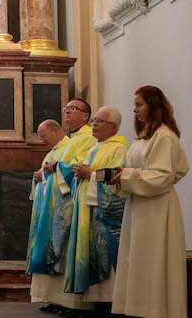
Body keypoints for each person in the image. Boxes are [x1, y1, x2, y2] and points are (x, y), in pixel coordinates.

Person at [111, 86, 189, 318]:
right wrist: (118, 172)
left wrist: (126, 176)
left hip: (157, 209)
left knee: (153, 260)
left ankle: (155, 311)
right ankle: (138, 310)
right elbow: (130, 166)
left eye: (139, 104)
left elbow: (162, 176)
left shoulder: (164, 135)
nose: (134, 110)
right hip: (139, 206)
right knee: (136, 259)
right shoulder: (144, 136)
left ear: (153, 106)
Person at [27, 101, 97, 313]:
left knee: (67, 252)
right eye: (66, 108)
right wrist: (47, 172)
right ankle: (59, 301)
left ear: (85, 116)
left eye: (73, 108)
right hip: (57, 203)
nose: (67, 110)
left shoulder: (88, 138)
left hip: (70, 204)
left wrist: (52, 170)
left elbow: (81, 167)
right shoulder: (71, 141)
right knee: (57, 253)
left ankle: (72, 304)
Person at [64, 106, 128, 306]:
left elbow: (116, 177)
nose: (94, 124)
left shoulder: (119, 148)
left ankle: (109, 302)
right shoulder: (95, 147)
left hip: (104, 213)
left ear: (113, 126)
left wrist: (89, 174)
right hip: (86, 208)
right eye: (94, 121)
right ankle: (92, 302)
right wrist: (80, 174)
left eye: (99, 121)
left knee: (105, 255)